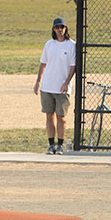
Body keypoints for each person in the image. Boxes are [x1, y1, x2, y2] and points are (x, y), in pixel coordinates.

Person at [35, 17, 77, 154]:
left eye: (62, 27)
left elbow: (73, 66)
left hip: (62, 88)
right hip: (47, 86)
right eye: (57, 27)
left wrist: (66, 83)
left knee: (61, 116)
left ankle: (60, 144)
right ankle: (51, 144)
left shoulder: (71, 45)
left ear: (66, 29)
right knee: (49, 115)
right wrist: (38, 82)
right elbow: (43, 63)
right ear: (53, 29)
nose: (60, 30)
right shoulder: (49, 44)